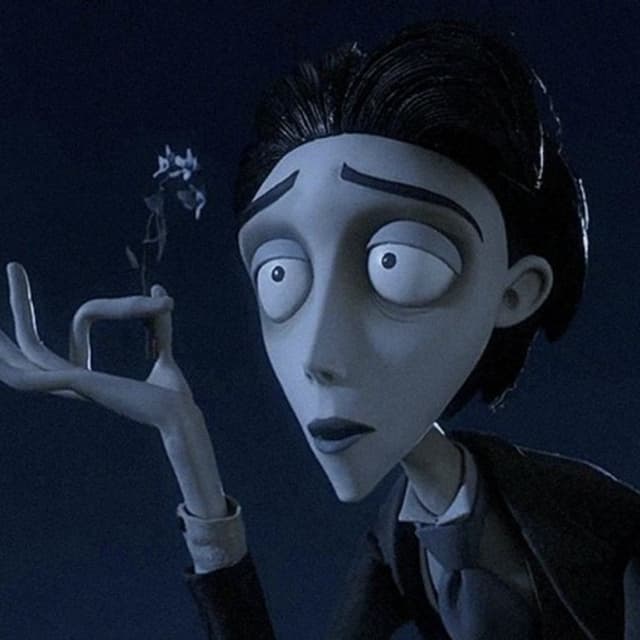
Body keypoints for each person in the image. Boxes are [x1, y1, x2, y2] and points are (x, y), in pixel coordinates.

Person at [0, 20, 638, 640]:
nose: (317, 354)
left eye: (398, 264)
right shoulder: (398, 546)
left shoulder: (608, 523)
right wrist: (185, 440)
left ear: (515, 292)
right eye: (280, 275)